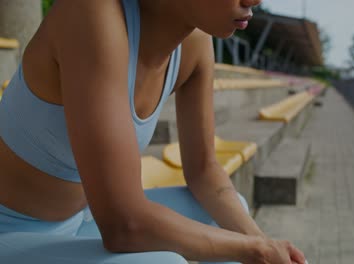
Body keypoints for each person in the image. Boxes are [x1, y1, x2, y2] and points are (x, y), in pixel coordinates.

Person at [0, 0, 307, 263]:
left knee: (232, 214)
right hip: (12, 233)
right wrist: (254, 250)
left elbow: (203, 171)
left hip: (82, 222)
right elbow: (123, 224)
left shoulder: (195, 45)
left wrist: (264, 245)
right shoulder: (91, 15)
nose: (255, 0)